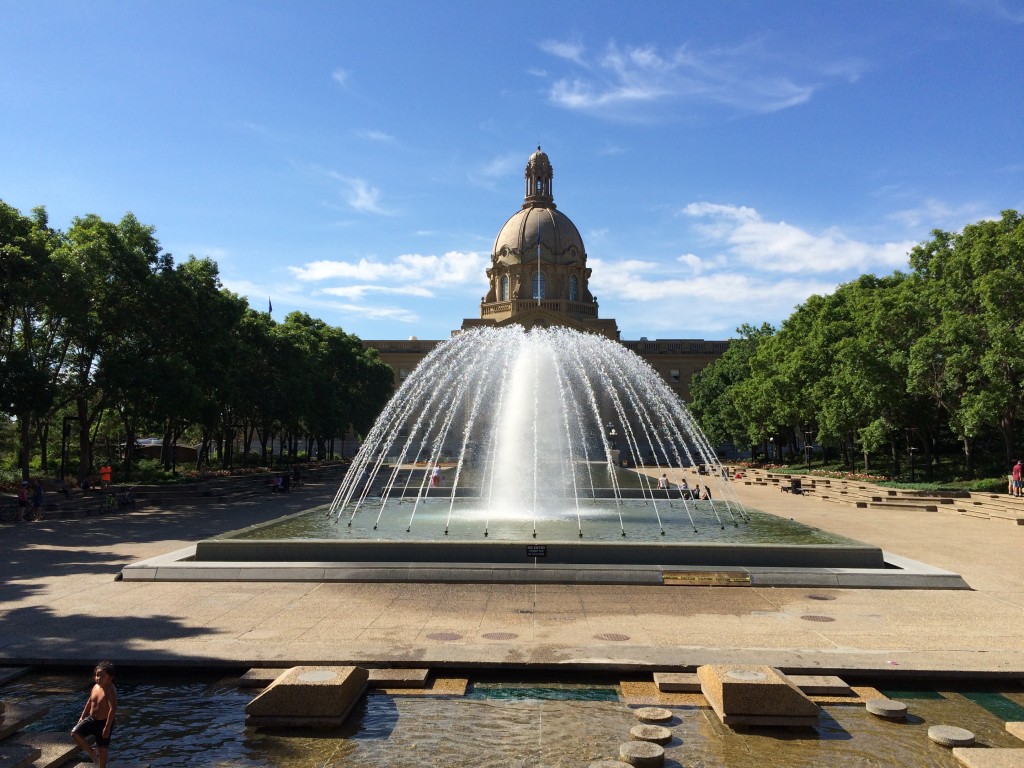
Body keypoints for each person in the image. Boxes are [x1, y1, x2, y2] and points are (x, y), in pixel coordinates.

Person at [72, 661, 117, 768]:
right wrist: (82, 716)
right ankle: (91, 752)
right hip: (91, 719)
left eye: (102, 676)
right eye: (97, 675)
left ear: (110, 678)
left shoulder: (110, 690)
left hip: (104, 722)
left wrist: (107, 727)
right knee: (75, 733)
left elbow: (113, 709)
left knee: (102, 748)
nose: (98, 678)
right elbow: (89, 701)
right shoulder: (96, 686)